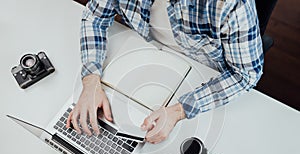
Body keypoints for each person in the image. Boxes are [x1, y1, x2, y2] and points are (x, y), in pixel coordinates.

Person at [67, 0, 264, 144]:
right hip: (143, 56)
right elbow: (95, 17)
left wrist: (179, 111)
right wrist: (91, 80)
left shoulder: (231, 4)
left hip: (204, 80)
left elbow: (245, 74)